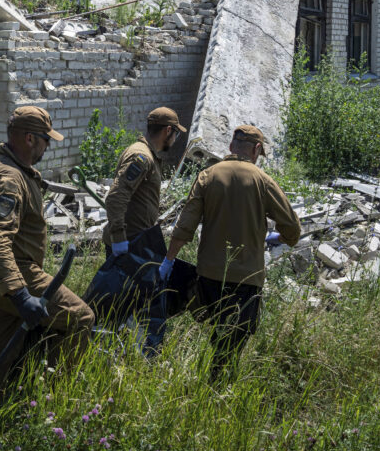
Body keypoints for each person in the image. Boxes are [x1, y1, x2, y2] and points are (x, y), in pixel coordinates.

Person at [159, 125, 301, 379]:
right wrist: (281, 238)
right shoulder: (264, 181)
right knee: (230, 347)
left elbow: (185, 226)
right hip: (247, 280)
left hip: (208, 278)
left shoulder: (207, 175)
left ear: (231, 146)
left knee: (212, 326)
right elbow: (293, 228)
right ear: (257, 149)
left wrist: (169, 261)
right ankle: (218, 385)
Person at [0, 106, 94, 395]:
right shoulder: (9, 180)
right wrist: (20, 294)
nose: (48, 146)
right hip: (16, 275)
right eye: (45, 139)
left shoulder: (4, 163)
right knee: (82, 318)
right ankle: (54, 395)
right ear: (29, 139)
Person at [92, 107, 186, 352]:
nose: (175, 140)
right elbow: (115, 197)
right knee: (130, 304)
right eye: (176, 134)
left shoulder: (145, 154)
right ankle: (136, 353)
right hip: (132, 246)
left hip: (140, 243)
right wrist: (120, 238)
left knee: (126, 304)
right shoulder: (141, 157)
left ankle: (119, 349)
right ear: (168, 131)